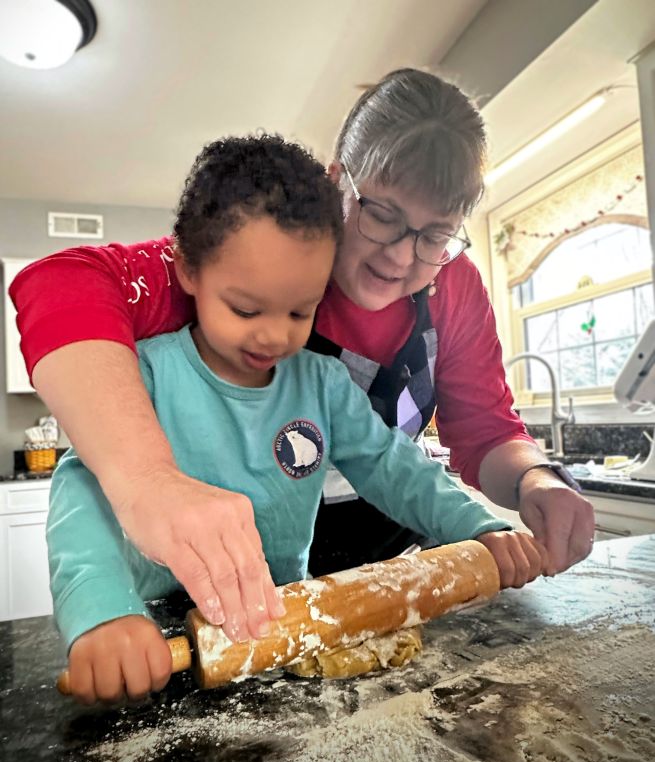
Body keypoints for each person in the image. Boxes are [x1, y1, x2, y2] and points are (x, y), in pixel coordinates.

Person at [11, 68, 595, 645]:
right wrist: (146, 482)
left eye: (435, 235)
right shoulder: (251, 256)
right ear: (339, 181)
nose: (400, 256)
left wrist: (531, 485)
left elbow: (446, 444)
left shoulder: (448, 289)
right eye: (382, 216)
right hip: (214, 595)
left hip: (381, 569)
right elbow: (61, 284)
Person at [48, 134, 543, 704]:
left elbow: (394, 465)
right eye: (244, 308)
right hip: (151, 637)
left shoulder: (322, 384)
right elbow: (80, 487)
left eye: (300, 311)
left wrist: (476, 526)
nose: (273, 334)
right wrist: (103, 611)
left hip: (280, 627)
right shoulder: (147, 375)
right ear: (188, 270)